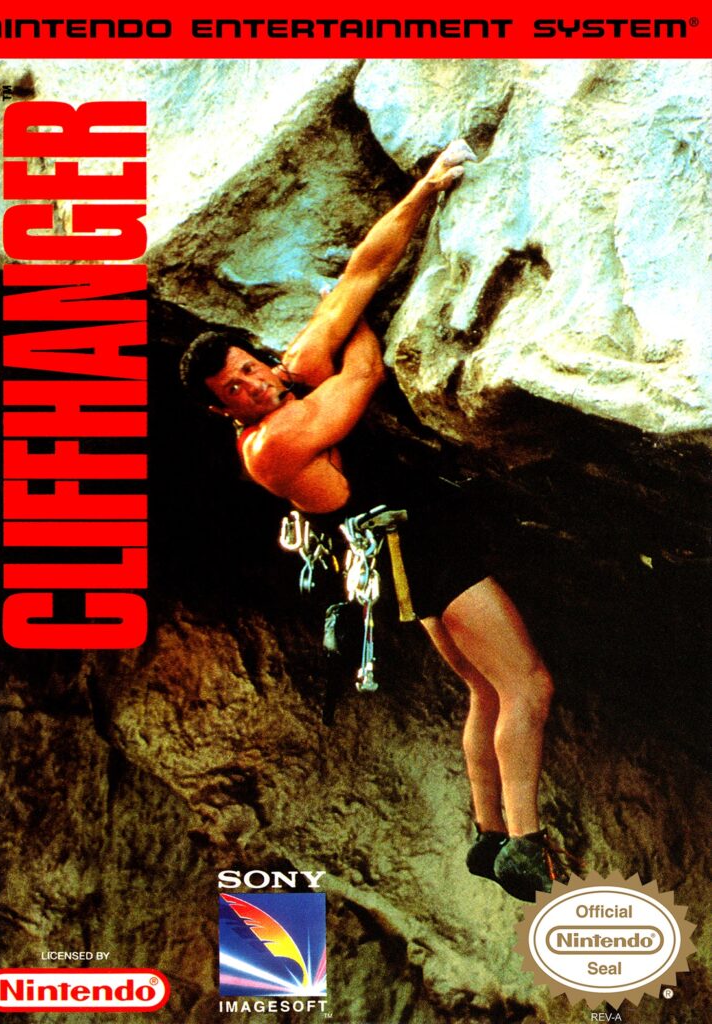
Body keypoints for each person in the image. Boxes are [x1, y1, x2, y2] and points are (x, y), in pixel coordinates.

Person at [180, 141, 569, 902]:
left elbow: (363, 270)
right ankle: (526, 844)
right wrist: (340, 327)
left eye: (250, 368)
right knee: (528, 684)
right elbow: (364, 372)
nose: (256, 385)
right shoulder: (272, 444)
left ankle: (488, 836)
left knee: (484, 690)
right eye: (237, 389)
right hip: (415, 548)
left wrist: (426, 189)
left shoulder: (287, 377)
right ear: (222, 410)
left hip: (399, 548)